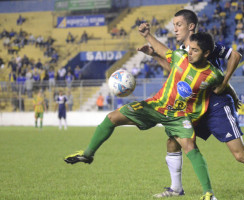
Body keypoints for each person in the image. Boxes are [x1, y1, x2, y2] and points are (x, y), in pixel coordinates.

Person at [138, 9, 244, 198]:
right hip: (196, 106)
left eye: (178, 25)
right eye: (173, 25)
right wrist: (155, 55)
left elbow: (235, 56)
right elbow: (173, 70)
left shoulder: (205, 45)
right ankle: (176, 188)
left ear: (191, 26)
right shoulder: (182, 51)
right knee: (173, 141)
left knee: (240, 155)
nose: (175, 29)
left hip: (216, 106)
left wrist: (224, 83)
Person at [64, 31, 225, 200]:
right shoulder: (180, 56)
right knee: (112, 117)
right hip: (156, 105)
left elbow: (223, 86)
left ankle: (208, 194)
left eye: (195, 50)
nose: (189, 52)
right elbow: (163, 50)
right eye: (189, 48)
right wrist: (148, 36)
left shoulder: (214, 74)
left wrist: (232, 96)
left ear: (206, 53)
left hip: (179, 115)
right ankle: (88, 154)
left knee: (189, 146)